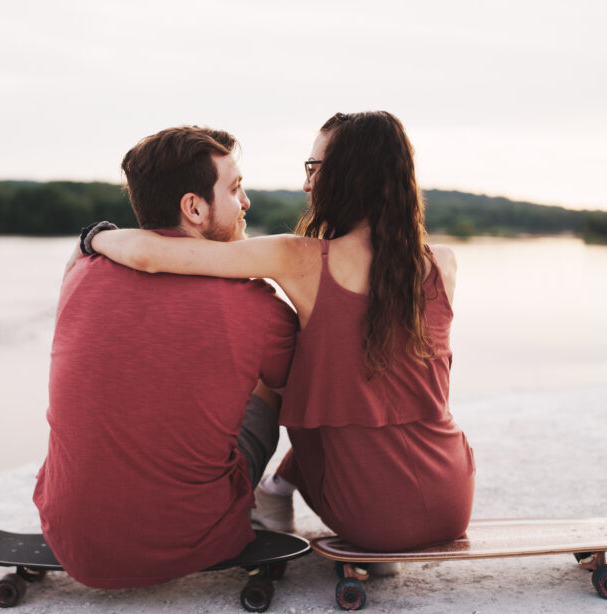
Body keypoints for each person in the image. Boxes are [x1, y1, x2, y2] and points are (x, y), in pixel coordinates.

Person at [85, 112, 475, 553]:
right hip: (453, 499)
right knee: (365, 371)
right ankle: (278, 488)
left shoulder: (298, 258)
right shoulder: (443, 263)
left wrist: (93, 238)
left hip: (370, 518)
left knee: (282, 362)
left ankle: (273, 491)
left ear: (349, 174)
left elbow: (151, 255)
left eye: (314, 168)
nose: (307, 184)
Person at [34, 126, 297, 588]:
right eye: (234, 189)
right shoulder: (256, 305)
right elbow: (308, 392)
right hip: (197, 539)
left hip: (71, 540)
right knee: (275, 379)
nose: (246, 202)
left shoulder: (81, 273)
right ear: (194, 208)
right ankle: (274, 492)